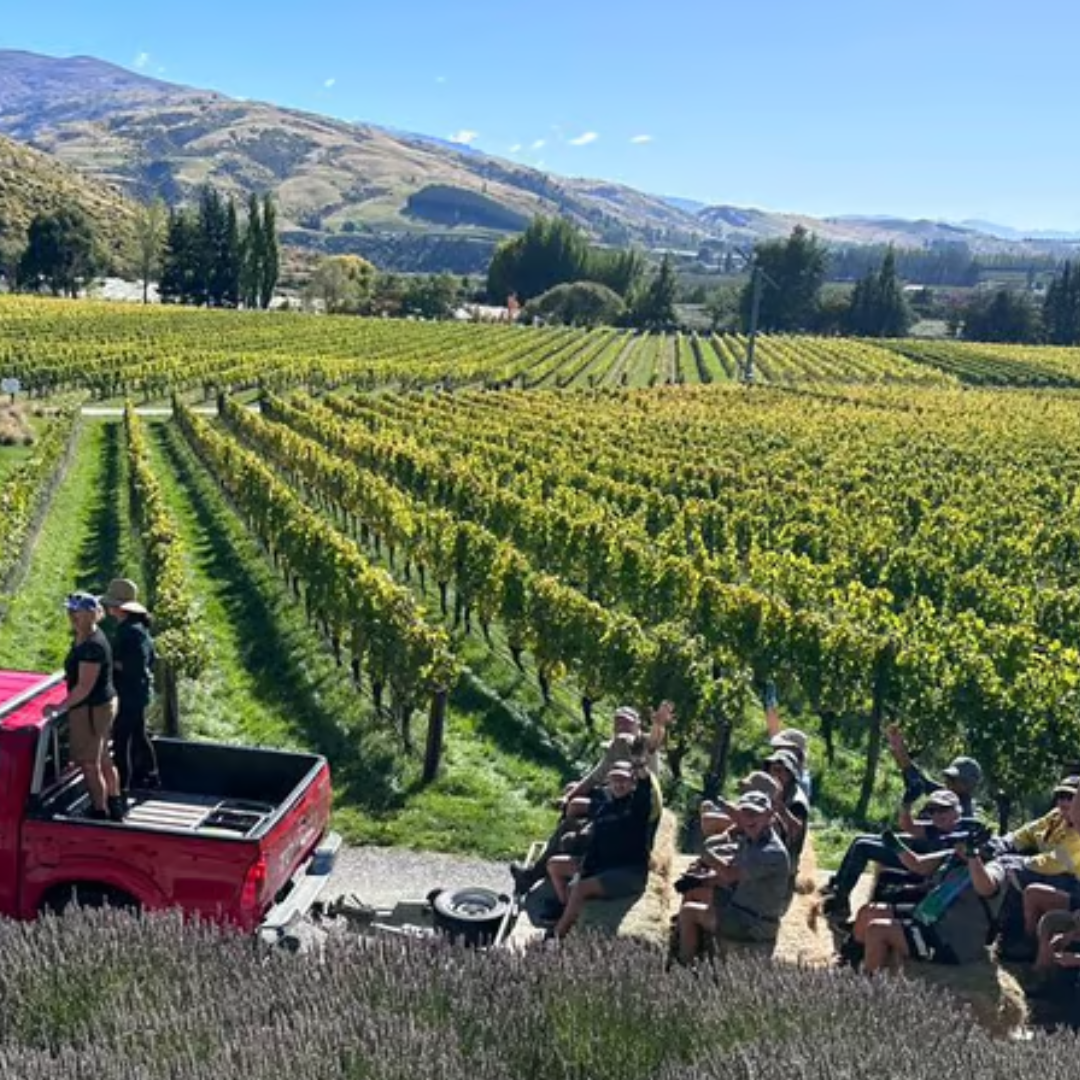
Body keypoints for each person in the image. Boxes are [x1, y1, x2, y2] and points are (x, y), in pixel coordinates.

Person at [509, 701, 673, 894]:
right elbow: (594, 777)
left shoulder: (642, 745)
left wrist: (659, 725)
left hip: (629, 810)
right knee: (569, 817)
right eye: (618, 723)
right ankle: (544, 870)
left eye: (627, 723)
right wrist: (568, 797)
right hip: (615, 799)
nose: (622, 727)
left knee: (576, 823)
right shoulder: (616, 746)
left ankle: (563, 864)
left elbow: (654, 742)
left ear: (638, 726)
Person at [851, 829, 1006, 974]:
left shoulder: (995, 869)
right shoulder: (954, 856)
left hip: (950, 941)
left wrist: (973, 856)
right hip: (928, 918)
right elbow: (918, 864)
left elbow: (985, 888)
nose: (956, 848)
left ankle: (867, 986)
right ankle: (850, 963)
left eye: (961, 844)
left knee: (877, 930)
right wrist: (894, 844)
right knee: (868, 912)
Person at [545, 758, 661, 940]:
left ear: (632, 784)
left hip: (627, 873)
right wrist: (582, 865)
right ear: (608, 783)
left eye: (624, 780)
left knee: (581, 888)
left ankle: (558, 935)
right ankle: (567, 909)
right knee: (554, 865)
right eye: (615, 780)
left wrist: (641, 769)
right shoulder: (604, 808)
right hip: (602, 865)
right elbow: (594, 843)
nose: (619, 784)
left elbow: (645, 789)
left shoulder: (637, 808)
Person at [676, 791, 791, 963]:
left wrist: (707, 857)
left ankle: (682, 965)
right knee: (694, 891)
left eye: (754, 814)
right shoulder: (752, 837)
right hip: (742, 906)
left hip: (753, 922)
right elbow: (731, 872)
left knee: (689, 912)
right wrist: (701, 879)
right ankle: (692, 947)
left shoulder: (771, 852)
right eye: (745, 813)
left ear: (768, 816)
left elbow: (730, 875)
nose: (749, 818)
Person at [822, 789, 964, 923]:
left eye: (943, 809)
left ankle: (840, 905)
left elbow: (922, 865)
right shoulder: (937, 828)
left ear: (957, 811)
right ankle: (838, 887)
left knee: (863, 847)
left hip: (924, 872)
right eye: (932, 811)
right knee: (860, 839)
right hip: (917, 859)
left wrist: (897, 846)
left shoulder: (962, 834)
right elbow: (908, 826)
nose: (937, 815)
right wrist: (906, 804)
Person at [41, 592, 123, 822]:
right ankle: (115, 805)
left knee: (90, 764)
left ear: (89, 614)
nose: (71, 615)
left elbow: (84, 687)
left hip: (92, 709)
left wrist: (58, 708)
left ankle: (100, 812)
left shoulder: (92, 646)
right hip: (101, 704)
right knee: (104, 756)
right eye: (70, 611)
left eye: (75, 611)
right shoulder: (86, 636)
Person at [100, 578, 160, 792]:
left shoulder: (130, 633)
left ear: (119, 608)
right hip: (139, 692)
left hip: (129, 693)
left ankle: (123, 784)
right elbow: (150, 660)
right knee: (138, 733)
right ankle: (150, 776)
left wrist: (109, 663)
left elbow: (133, 666)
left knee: (122, 737)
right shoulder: (137, 628)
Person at [885, 723, 982, 817]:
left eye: (953, 779)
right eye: (948, 777)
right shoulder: (942, 793)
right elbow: (914, 774)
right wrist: (899, 748)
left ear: (970, 785)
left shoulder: (964, 813)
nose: (948, 782)